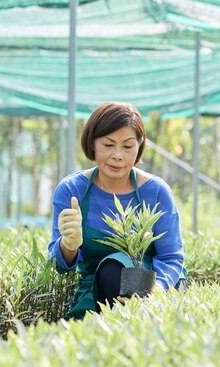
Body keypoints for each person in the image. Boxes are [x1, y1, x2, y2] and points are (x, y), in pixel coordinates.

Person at [48, 101, 186, 320]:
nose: (118, 155)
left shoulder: (156, 191)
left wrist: (157, 290)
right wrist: (68, 244)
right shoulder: (72, 190)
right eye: (108, 144)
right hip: (95, 293)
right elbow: (59, 266)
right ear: (92, 144)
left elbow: (171, 257)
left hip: (157, 289)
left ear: (139, 147)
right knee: (111, 270)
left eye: (128, 146)